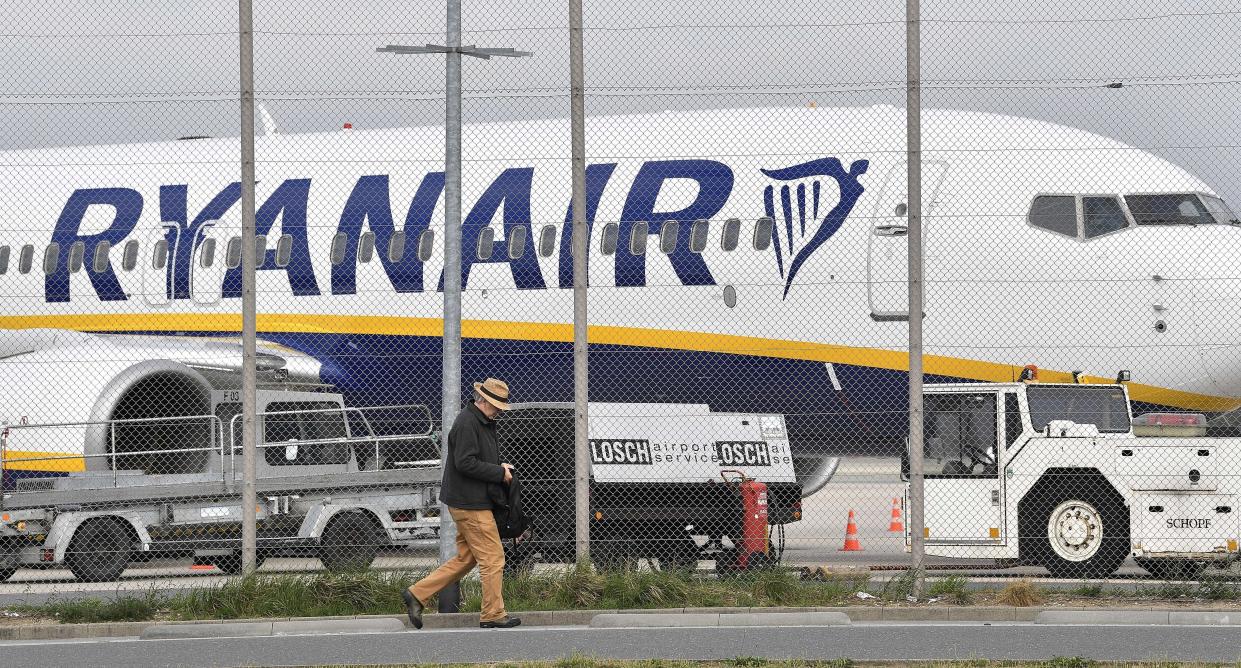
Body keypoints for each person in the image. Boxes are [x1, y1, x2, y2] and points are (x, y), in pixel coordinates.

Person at [403, 378, 520, 629]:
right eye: (497, 404)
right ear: (484, 401)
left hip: (468, 500)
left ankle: (417, 594)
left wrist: (499, 467)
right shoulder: (468, 423)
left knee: (466, 559)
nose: (500, 410)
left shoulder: (479, 420)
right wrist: (499, 473)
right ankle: (492, 614)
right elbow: (465, 462)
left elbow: (473, 460)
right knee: (493, 558)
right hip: (471, 503)